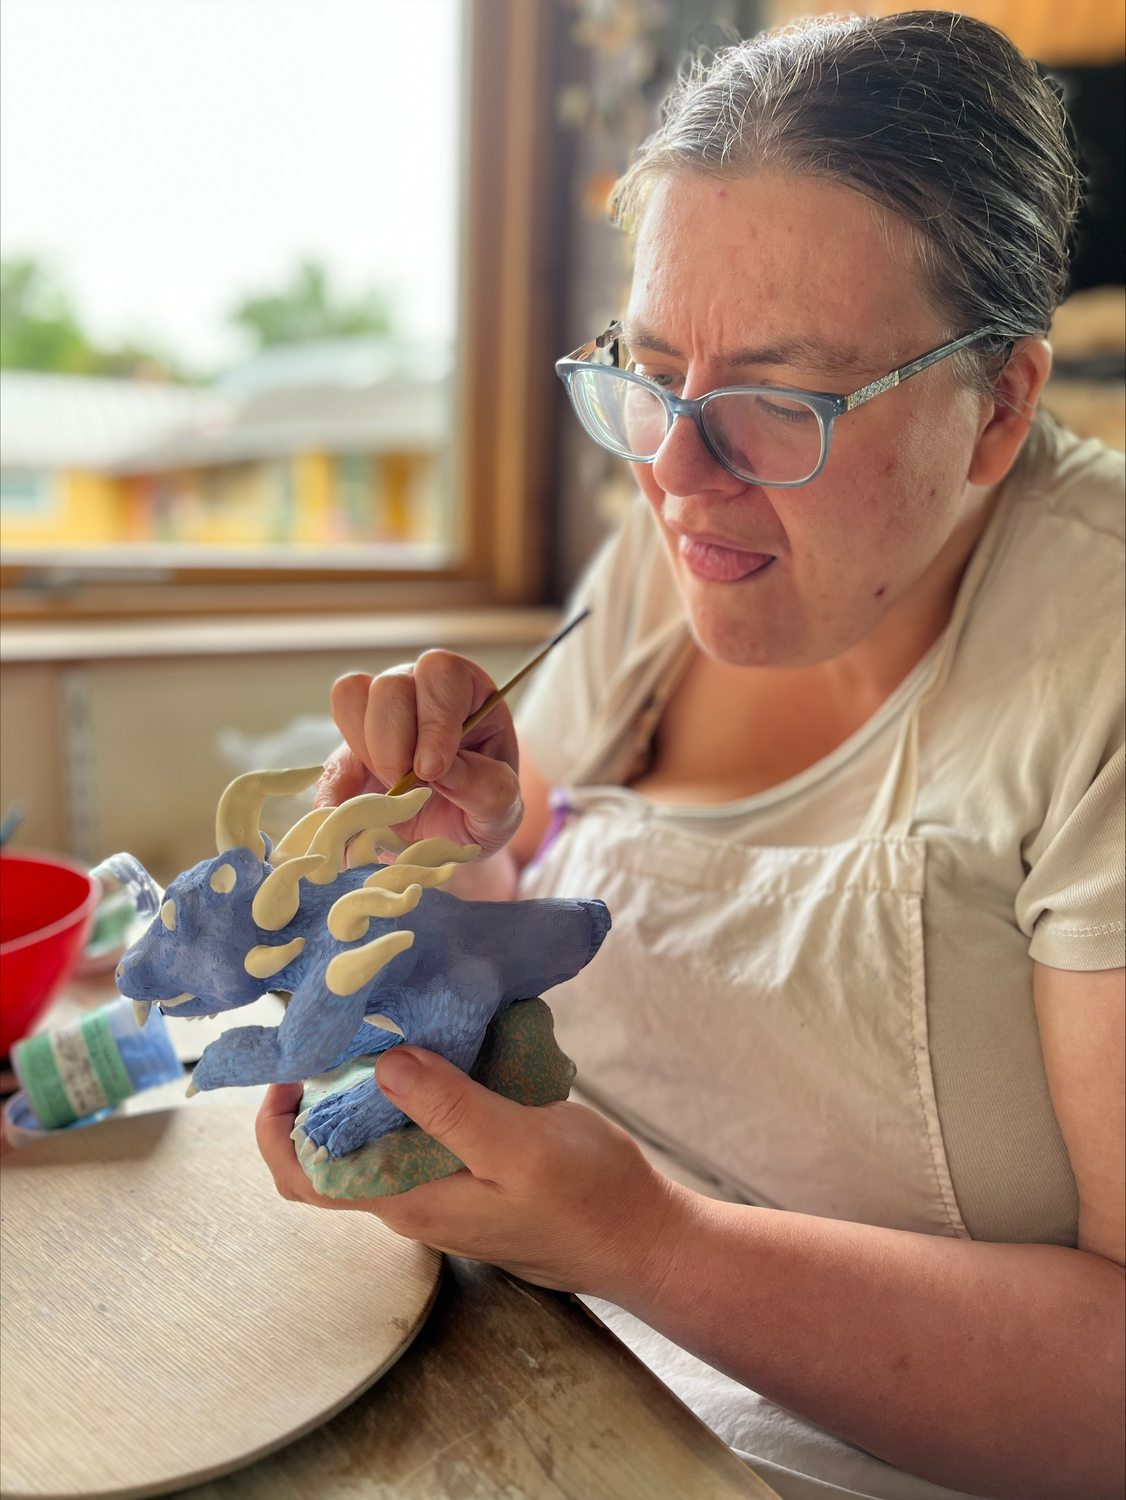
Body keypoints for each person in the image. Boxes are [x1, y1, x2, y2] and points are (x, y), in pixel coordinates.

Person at [256, 13, 1124, 1498]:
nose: (671, 476)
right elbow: (535, 890)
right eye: (646, 375)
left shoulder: (1091, 662)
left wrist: (644, 1239)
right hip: (535, 1362)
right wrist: (439, 852)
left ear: (998, 408)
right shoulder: (685, 541)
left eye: (777, 400)